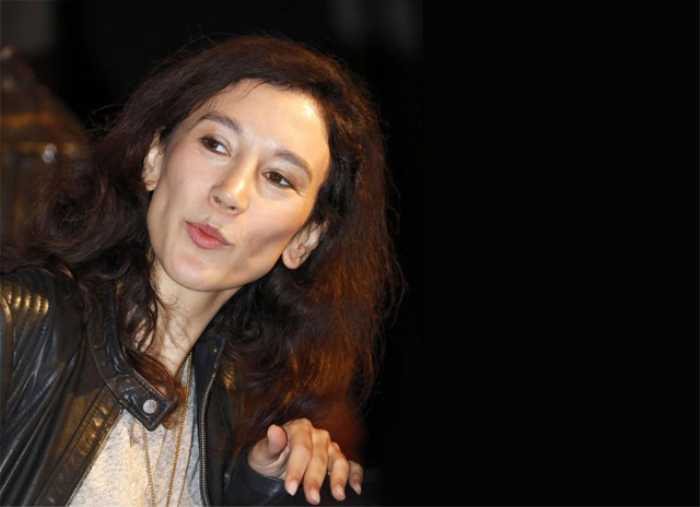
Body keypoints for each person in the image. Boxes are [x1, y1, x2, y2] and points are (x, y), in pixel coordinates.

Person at [0, 35, 399, 506]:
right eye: (215, 144)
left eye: (277, 177)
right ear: (155, 158)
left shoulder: (234, 423)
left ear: (304, 240)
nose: (230, 192)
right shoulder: (19, 325)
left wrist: (255, 492)